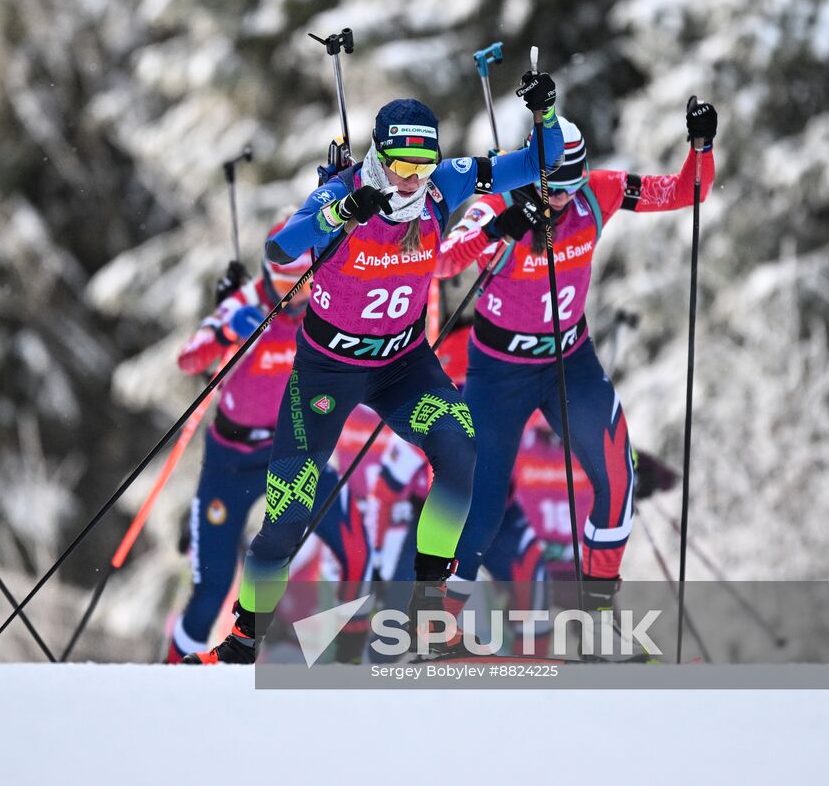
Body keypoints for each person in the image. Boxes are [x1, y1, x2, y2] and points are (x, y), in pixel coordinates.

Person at [185, 71, 564, 663]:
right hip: (327, 371)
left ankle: (427, 607)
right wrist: (338, 215)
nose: (413, 179)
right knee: (288, 513)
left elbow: (537, 161)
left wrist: (544, 115)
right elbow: (281, 248)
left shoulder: (444, 184)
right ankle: (242, 636)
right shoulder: (344, 192)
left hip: (402, 364)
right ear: (378, 158)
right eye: (400, 167)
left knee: (463, 449)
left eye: (422, 165)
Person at [436, 98, 717, 621]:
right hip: (499, 372)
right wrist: (498, 230)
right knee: (481, 502)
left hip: (569, 362)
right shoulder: (496, 202)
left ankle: (596, 620)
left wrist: (700, 148)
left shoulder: (597, 192)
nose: (565, 198)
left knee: (617, 481)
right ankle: (440, 621)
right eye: (555, 187)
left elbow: (688, 191)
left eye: (573, 183)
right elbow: (442, 263)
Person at [167, 242, 370, 663]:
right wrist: (225, 332)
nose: (290, 296)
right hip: (232, 461)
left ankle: (332, 659)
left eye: (299, 285)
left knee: (355, 550)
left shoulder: (326, 303)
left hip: (292, 453)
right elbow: (189, 360)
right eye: (280, 284)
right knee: (212, 590)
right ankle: (171, 677)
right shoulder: (245, 303)